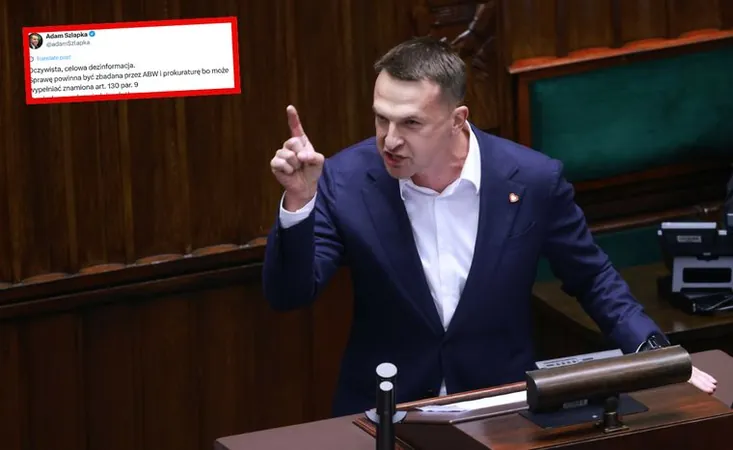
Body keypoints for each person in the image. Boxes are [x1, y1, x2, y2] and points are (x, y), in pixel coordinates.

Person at [263, 36, 717, 417]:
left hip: (501, 408)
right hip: (386, 413)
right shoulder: (344, 179)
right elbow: (289, 294)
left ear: (457, 120)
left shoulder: (533, 179)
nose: (391, 139)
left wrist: (656, 358)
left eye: (411, 123)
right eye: (382, 118)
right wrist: (299, 202)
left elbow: (592, 278)